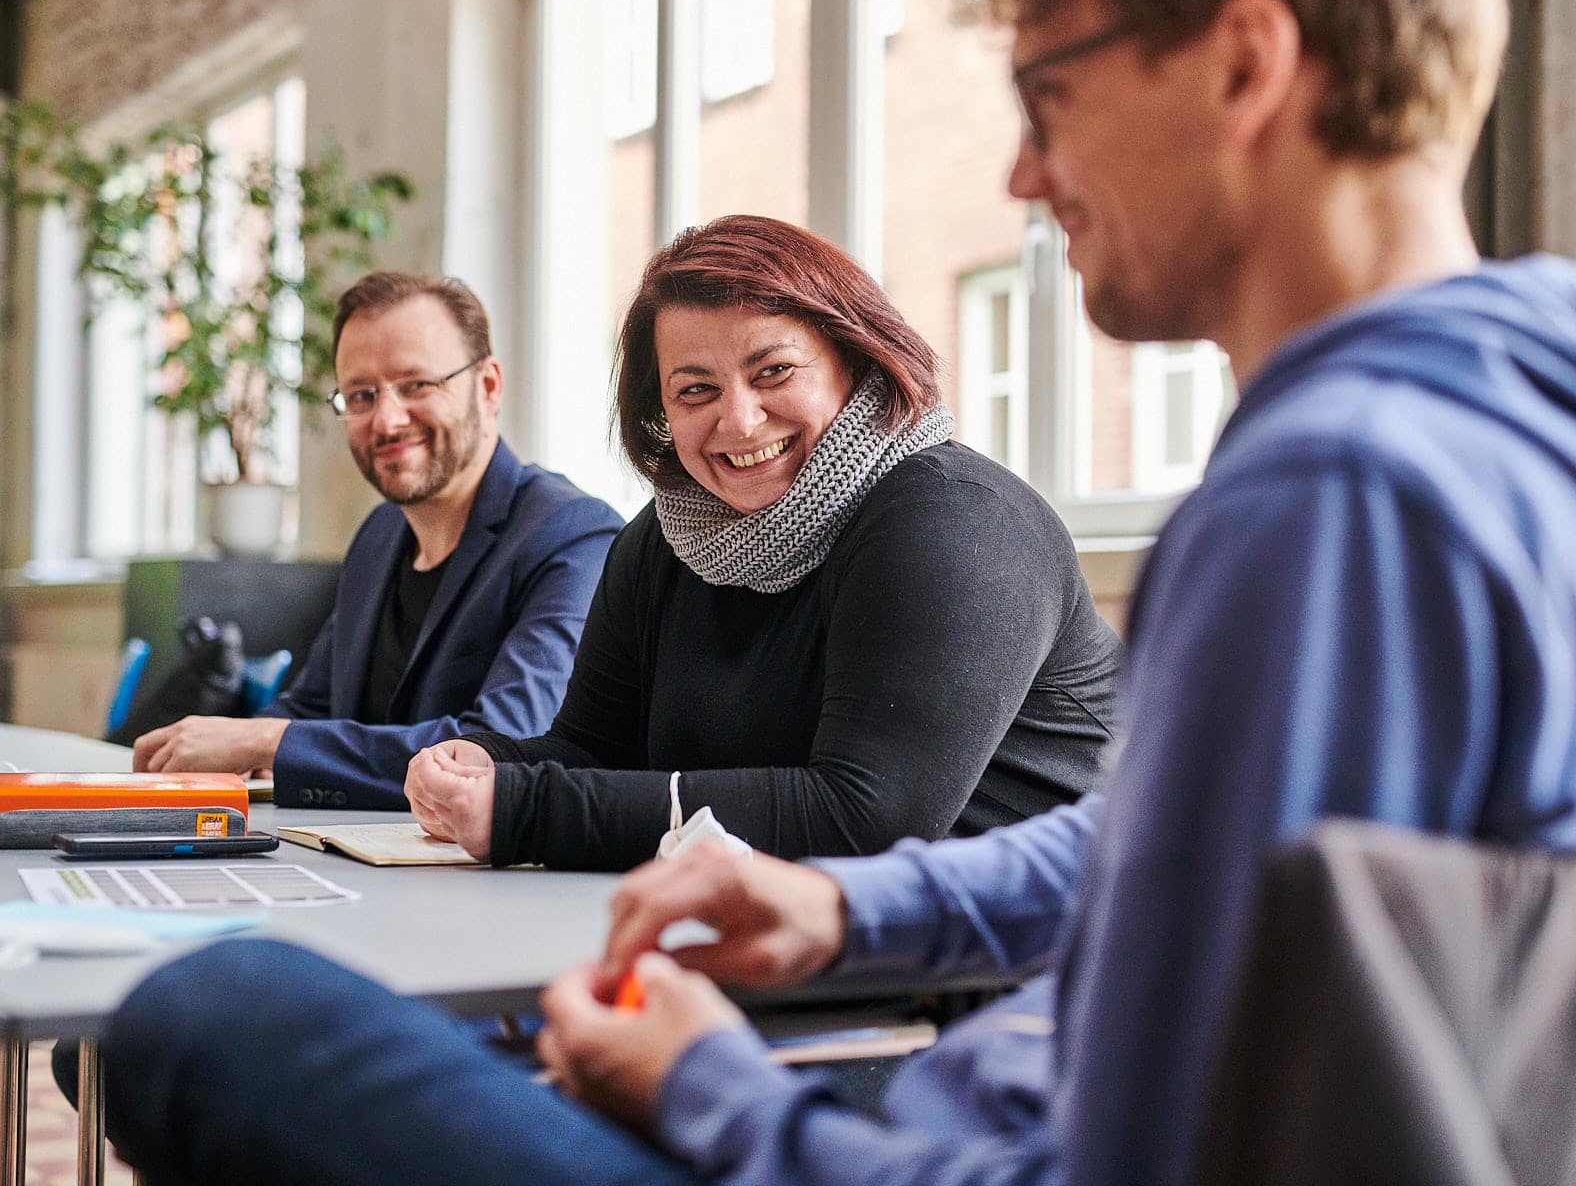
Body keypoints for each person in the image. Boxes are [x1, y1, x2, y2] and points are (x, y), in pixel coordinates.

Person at [94, 0, 1576, 1184]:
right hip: (942, 1087)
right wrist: (841, 911)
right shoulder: (1508, 426)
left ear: (1246, 63)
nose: (1024, 167)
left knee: (206, 1014)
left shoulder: (1330, 508)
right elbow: (1170, 862)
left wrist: (716, 1096)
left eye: (1051, 89)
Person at [401, 215, 1120, 870]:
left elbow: (866, 820)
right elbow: (593, 752)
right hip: (799, 945)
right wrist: (488, 768)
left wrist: (527, 811)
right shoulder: (662, 541)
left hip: (1038, 972)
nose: (740, 421)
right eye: (695, 390)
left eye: (773, 372)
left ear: (857, 359)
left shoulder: (955, 520)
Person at [132, 271, 625, 809]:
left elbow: (503, 748)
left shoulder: (574, 536)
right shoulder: (380, 535)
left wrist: (263, 741)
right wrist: (219, 753)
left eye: (416, 385)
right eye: (361, 396)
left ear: (487, 387)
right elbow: (311, 709)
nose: (387, 421)